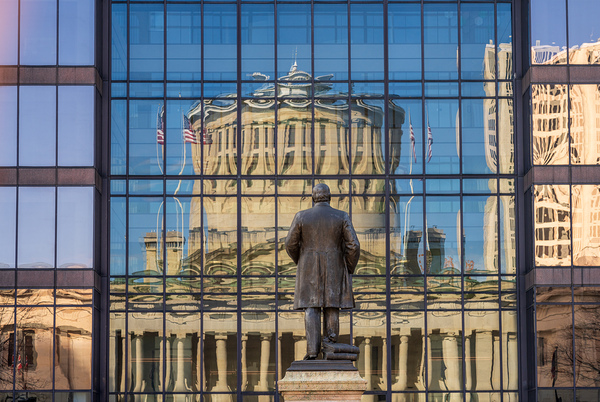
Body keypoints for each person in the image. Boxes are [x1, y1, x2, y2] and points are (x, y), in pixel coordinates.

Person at [285, 183, 360, 359]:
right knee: (332, 307)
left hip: (308, 268)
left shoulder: (301, 216)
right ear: (329, 197)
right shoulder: (341, 216)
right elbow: (354, 245)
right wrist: (349, 266)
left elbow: (289, 243)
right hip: (335, 267)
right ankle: (330, 349)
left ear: (313, 198)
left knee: (311, 307)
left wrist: (302, 260)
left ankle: (312, 352)